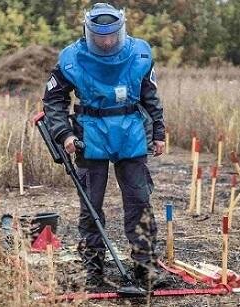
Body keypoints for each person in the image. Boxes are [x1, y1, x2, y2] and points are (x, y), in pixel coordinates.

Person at [42, 3, 166, 289]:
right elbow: (52, 101)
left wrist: (158, 132)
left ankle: (145, 267)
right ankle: (92, 269)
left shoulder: (140, 53)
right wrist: (64, 135)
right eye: (100, 38)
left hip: (131, 133)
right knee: (90, 206)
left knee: (139, 201)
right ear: (89, 33)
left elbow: (151, 97)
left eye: (112, 36)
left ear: (121, 30)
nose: (107, 42)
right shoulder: (71, 58)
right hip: (89, 135)